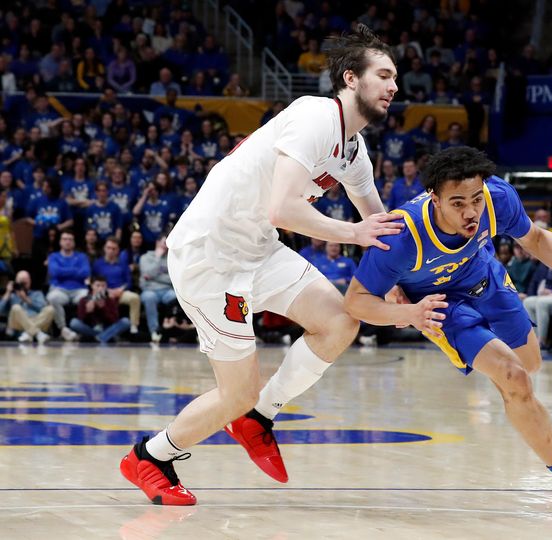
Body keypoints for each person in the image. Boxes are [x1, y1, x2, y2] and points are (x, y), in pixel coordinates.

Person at [120, 24, 404, 506]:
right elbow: (285, 210)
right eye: (384, 75)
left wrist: (397, 287)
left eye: (396, 77)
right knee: (236, 392)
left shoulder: (354, 151)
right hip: (211, 256)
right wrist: (353, 234)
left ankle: (259, 418)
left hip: (257, 248)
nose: (394, 86)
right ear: (351, 79)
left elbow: (379, 223)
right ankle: (151, 456)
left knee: (339, 322)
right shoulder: (315, 116)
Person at [343, 147, 552, 517]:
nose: (471, 212)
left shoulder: (498, 198)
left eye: (475, 199)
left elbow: (538, 241)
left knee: (529, 364)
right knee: (515, 378)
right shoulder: (400, 235)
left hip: (486, 276)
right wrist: (410, 313)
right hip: (439, 304)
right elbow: (356, 301)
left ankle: (506, 385)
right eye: (458, 203)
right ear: (435, 199)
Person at [46, 231, 89, 342]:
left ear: (74, 242)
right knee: (52, 298)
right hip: (59, 289)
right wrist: (75, 271)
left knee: (87, 298)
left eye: (70, 239)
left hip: (79, 289)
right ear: (60, 242)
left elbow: (85, 272)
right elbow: (54, 272)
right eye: (65, 239)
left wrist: (63, 272)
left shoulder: (82, 257)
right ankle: (63, 329)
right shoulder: (53, 256)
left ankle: (81, 330)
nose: (67, 242)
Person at [69, 275, 131, 343]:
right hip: (91, 328)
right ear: (92, 286)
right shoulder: (84, 300)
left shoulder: (110, 300)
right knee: (74, 323)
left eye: (103, 286)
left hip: (107, 328)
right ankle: (104, 337)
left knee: (126, 321)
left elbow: (114, 320)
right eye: (98, 286)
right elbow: (81, 320)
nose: (100, 288)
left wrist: (103, 308)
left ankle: (99, 338)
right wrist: (88, 312)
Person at [139, 235, 177, 343]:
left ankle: (170, 330)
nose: (166, 246)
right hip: (149, 290)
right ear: (157, 242)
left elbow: (172, 279)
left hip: (167, 290)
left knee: (175, 297)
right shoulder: (145, 257)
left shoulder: (172, 257)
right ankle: (154, 331)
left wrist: (154, 277)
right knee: (149, 298)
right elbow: (147, 273)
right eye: (164, 243)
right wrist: (157, 258)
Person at [0, 270, 55, 344]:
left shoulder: (37, 294)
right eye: (20, 283)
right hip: (18, 326)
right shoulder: (12, 296)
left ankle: (29, 333)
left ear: (30, 281)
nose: (22, 286)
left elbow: (43, 309)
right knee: (16, 307)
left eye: (25, 283)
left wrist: (26, 299)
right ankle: (37, 333)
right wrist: (8, 292)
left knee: (50, 309)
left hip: (37, 321)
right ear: (16, 282)